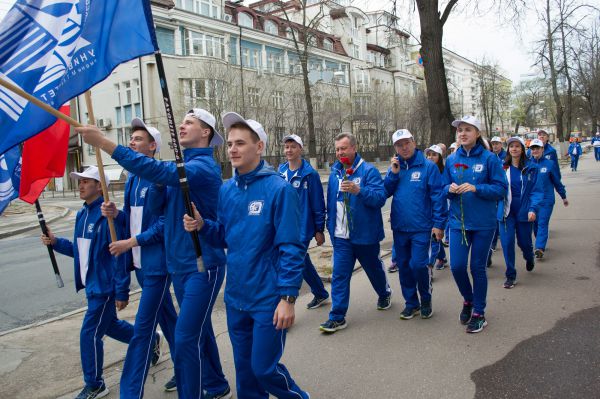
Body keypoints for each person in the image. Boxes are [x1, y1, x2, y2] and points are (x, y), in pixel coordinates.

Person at [78, 109, 231, 399]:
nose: (182, 126)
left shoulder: (202, 167)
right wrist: (158, 186)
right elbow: (157, 209)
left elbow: (163, 175)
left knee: (185, 340)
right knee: (198, 331)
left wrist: (105, 143)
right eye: (182, 122)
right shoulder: (181, 167)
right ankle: (217, 383)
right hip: (180, 266)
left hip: (203, 264)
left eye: (189, 123)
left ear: (206, 132)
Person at [183, 112, 309, 399]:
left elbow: (292, 247)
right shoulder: (227, 190)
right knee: (245, 373)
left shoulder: (279, 189)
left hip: (267, 298)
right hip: (236, 297)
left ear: (260, 147)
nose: (233, 150)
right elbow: (225, 236)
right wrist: (203, 226)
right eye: (229, 144)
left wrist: (288, 298)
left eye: (240, 143)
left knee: (263, 368)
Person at [99, 119, 178, 398]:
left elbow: (162, 225)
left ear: (152, 146)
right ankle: (190, 366)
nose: (131, 142)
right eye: (130, 138)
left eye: (137, 139)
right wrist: (115, 214)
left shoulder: (161, 179)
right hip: (140, 265)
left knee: (143, 331)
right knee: (170, 320)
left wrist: (133, 241)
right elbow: (132, 221)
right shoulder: (132, 178)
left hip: (157, 265)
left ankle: (130, 392)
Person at [41, 166, 134, 399]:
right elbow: (80, 251)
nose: (80, 185)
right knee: (110, 326)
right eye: (79, 181)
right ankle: (149, 339)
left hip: (105, 287)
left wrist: (121, 290)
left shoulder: (109, 216)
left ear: (99, 186)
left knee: (89, 334)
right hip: (91, 285)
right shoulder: (82, 214)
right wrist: (55, 242)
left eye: (86, 182)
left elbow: (119, 255)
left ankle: (95, 384)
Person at [320, 132, 392, 333]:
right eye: (337, 149)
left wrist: (359, 191)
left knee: (373, 270)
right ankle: (337, 317)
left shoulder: (369, 171)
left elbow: (379, 199)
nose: (340, 152)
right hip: (342, 238)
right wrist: (330, 227)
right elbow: (331, 204)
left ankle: (384, 292)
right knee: (340, 275)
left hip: (365, 235)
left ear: (354, 148)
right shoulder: (335, 173)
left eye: (343, 148)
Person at [443, 116, 507, 333]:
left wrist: (476, 188)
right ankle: (468, 300)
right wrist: (449, 190)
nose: (462, 133)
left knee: (477, 268)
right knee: (457, 267)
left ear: (477, 133)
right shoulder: (451, 160)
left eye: (467, 130)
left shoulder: (489, 159)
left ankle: (479, 313)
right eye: (460, 130)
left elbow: (501, 189)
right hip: (458, 223)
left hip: (483, 224)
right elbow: (442, 188)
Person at [384, 130, 446, 320]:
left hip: (422, 227)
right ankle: (411, 303)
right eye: (399, 145)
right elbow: (384, 193)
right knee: (403, 266)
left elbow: (437, 196)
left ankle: (425, 299)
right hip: (400, 227)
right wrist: (393, 174)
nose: (403, 147)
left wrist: (438, 224)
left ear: (413, 142)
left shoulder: (428, 167)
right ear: (395, 148)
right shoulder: (395, 168)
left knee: (418, 265)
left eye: (406, 143)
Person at [278, 134, 330, 309]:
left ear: (300, 149)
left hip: (303, 228)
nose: (289, 150)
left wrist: (319, 229)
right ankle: (321, 293)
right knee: (300, 261)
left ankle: (285, 306)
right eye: (286, 147)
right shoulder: (281, 172)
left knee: (291, 264)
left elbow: (317, 203)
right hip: (284, 227)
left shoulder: (310, 174)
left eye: (293, 146)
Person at [497, 137, 544, 289]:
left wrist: (533, 209)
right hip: (506, 212)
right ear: (508, 149)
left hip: (524, 211)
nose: (514, 149)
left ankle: (529, 257)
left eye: (517, 146)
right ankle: (510, 274)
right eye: (511, 146)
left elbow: (536, 191)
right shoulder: (502, 167)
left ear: (523, 149)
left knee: (524, 243)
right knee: (507, 242)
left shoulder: (531, 168)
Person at [529, 138, 568, 259]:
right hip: (532, 201)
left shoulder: (549, 164)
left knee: (542, 223)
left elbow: (557, 181)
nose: (535, 150)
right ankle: (540, 241)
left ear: (542, 149)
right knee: (535, 224)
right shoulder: (527, 164)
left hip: (546, 200)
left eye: (537, 148)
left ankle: (539, 247)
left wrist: (563, 196)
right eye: (533, 148)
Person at [425, 144, 448, 270]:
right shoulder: (425, 170)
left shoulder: (444, 172)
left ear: (440, 157)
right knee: (434, 237)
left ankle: (429, 266)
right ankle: (442, 257)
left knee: (433, 238)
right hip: (426, 210)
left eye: (434, 155)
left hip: (439, 210)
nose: (430, 157)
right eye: (428, 154)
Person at [488, 136, 506, 262]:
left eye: (497, 143)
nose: (495, 146)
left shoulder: (506, 156)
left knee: (498, 217)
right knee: (493, 218)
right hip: (491, 192)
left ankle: (494, 240)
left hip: (503, 191)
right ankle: (492, 244)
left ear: (501, 144)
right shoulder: (489, 157)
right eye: (493, 144)